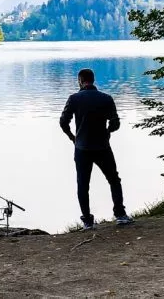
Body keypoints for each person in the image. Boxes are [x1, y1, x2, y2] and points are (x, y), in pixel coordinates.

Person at [59, 68, 134, 230]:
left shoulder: (74, 99)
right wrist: (107, 132)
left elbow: (63, 122)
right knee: (114, 180)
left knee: (83, 185)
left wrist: (73, 138)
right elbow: (115, 123)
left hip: (82, 148)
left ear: (80, 81)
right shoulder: (106, 99)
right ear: (93, 80)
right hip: (102, 147)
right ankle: (120, 215)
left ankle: (87, 221)